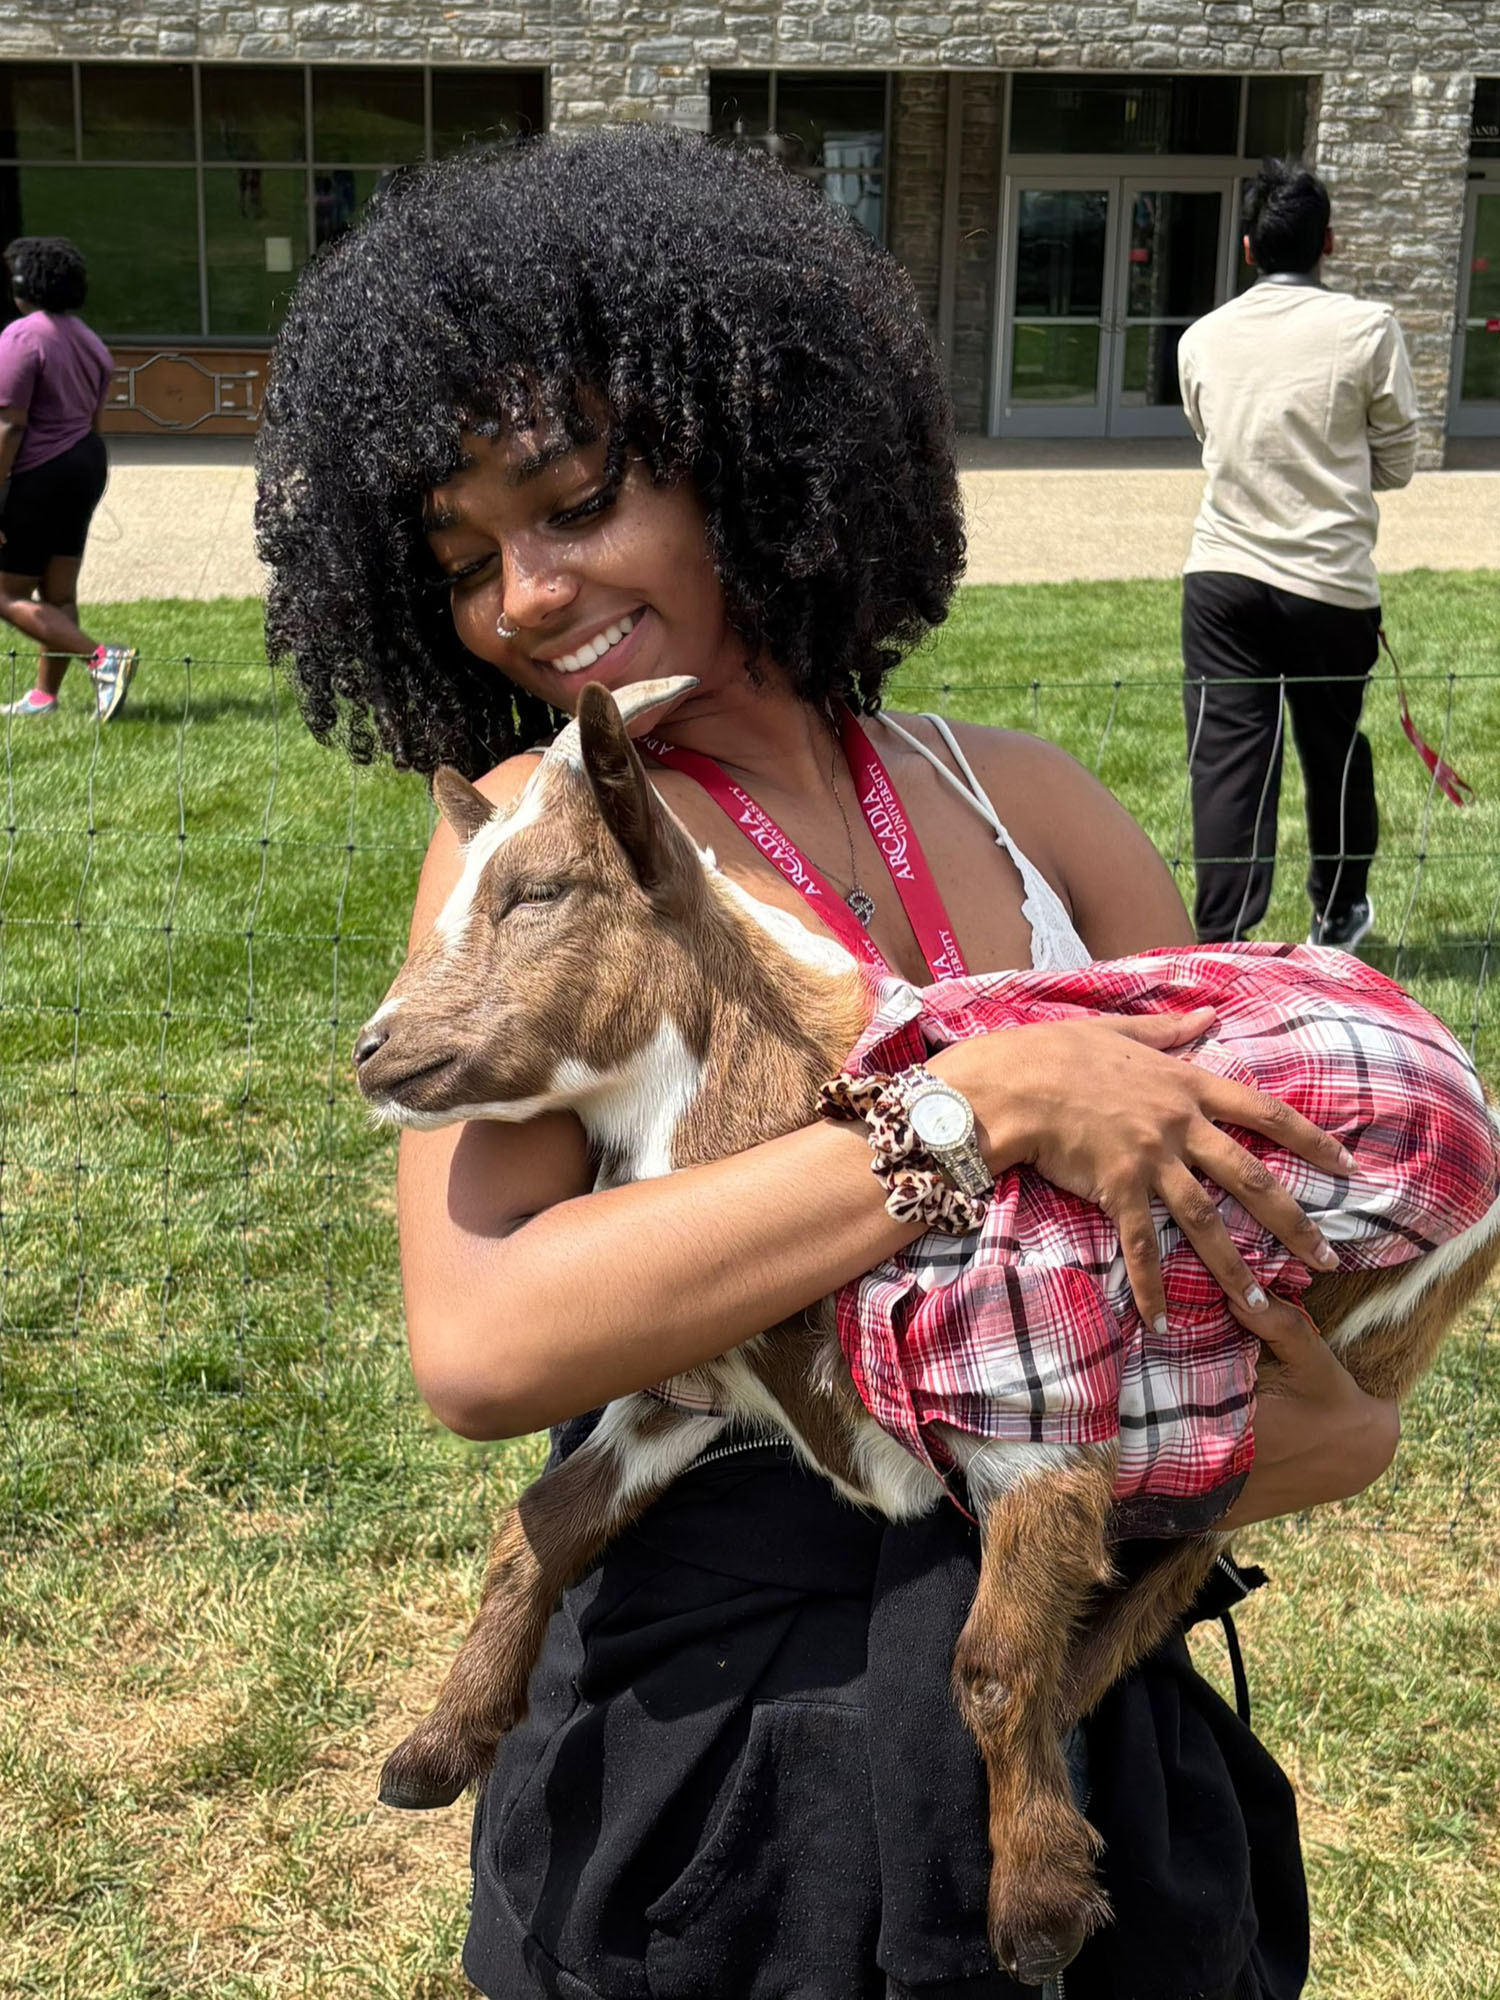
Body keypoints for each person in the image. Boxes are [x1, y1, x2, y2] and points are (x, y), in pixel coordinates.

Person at [257, 128, 1400, 2000]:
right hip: (725, 1758)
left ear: (750, 439)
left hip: (1079, 1719)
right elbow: (482, 1345)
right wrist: (984, 1106)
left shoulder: (1027, 801)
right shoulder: (545, 858)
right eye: (464, 559)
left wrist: (1327, 1424)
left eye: (570, 500)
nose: (525, 597)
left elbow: (1234, 1230)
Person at [1176, 159, 1418, 951]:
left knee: (1227, 761)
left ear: (1247, 247)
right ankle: (1339, 913)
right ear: (1330, 244)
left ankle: (1224, 937)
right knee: (1333, 749)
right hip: (1329, 581)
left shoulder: (1202, 338)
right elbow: (1400, 461)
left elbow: (1213, 440)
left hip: (1223, 573)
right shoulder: (1369, 328)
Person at [0, 236, 138, 721]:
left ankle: (103, 659)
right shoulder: (91, 341)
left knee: (5, 593)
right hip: (85, 461)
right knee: (58, 594)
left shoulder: (21, 337)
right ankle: (43, 697)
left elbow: (10, 424)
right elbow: (94, 420)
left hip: (39, 471)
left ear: (23, 285)